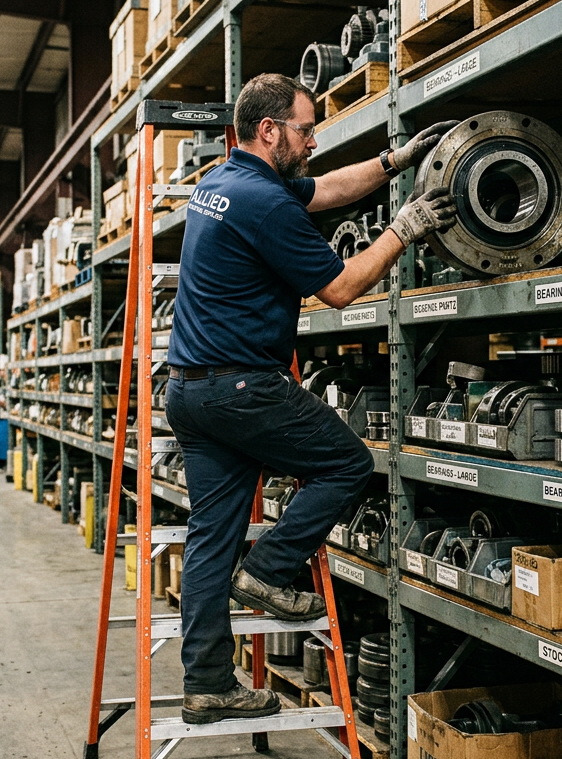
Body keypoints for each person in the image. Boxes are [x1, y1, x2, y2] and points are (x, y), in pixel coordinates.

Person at [165, 73, 458, 725]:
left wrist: (393, 163)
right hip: (242, 387)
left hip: (190, 389)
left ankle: (208, 683)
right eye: (305, 128)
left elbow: (322, 190)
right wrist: (403, 226)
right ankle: (269, 570)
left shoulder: (221, 183)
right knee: (347, 463)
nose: (314, 138)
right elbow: (343, 287)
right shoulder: (264, 205)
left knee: (211, 539)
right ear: (269, 131)